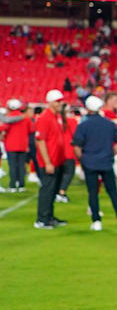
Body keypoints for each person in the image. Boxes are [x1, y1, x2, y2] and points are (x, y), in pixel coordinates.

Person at [72, 96, 117, 230]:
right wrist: (110, 154)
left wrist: (83, 160)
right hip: (106, 162)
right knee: (113, 192)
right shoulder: (109, 124)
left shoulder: (83, 125)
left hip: (89, 163)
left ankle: (96, 221)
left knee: (93, 192)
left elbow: (77, 148)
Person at [33, 90, 67, 229]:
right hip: (49, 161)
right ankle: (42, 219)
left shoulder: (55, 117)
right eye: (57, 101)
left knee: (53, 190)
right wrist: (47, 162)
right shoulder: (44, 118)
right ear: (51, 102)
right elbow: (40, 141)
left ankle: (49, 216)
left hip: (56, 160)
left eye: (61, 101)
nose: (60, 104)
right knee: (47, 190)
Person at [2, 98, 31, 191]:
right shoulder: (25, 117)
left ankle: (13, 185)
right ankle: (21, 185)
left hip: (11, 145)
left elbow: (3, 128)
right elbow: (31, 130)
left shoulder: (9, 117)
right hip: (23, 145)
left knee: (13, 166)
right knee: (21, 166)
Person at [56, 103, 79, 203]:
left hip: (56, 151)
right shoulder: (71, 121)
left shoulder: (55, 121)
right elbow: (76, 135)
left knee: (59, 173)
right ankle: (61, 192)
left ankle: (57, 191)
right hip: (68, 151)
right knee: (69, 173)